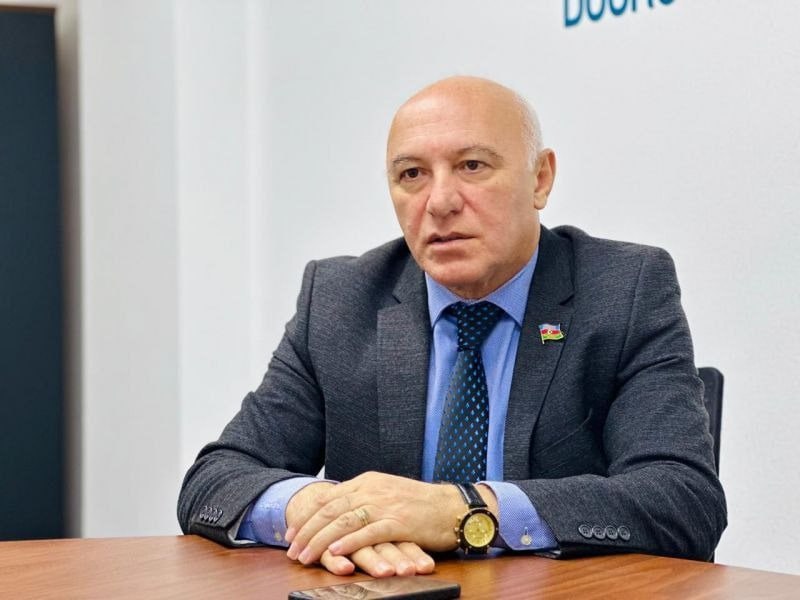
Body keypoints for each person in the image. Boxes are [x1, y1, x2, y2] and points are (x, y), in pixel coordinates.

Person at [178, 76, 727, 578]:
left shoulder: (624, 290)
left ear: (540, 179)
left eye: (472, 166)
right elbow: (216, 477)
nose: (439, 202)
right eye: (411, 175)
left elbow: (684, 500)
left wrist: (462, 509)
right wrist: (317, 511)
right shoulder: (340, 301)